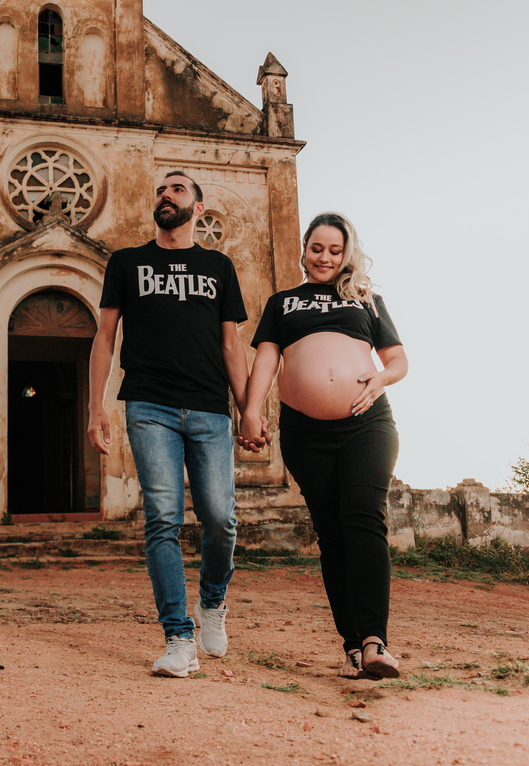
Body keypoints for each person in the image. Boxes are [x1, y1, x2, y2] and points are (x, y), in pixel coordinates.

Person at [88, 171, 249, 677]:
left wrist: (249, 409)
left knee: (220, 518)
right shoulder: (127, 263)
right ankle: (179, 638)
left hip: (208, 407)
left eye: (178, 190)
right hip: (148, 405)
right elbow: (105, 336)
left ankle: (213, 604)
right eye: (161, 189)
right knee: (162, 518)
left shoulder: (218, 266)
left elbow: (231, 345)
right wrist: (96, 406)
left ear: (197, 208)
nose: (166, 194)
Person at [239, 212, 408, 679]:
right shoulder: (282, 302)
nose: (325, 258)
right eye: (318, 248)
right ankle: (353, 646)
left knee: (363, 520)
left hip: (366, 424)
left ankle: (376, 641)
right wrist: (251, 411)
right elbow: (268, 359)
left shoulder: (367, 301)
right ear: (305, 248)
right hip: (305, 434)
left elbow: (397, 361)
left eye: (335, 250)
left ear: (346, 253)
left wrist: (381, 377)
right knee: (332, 536)